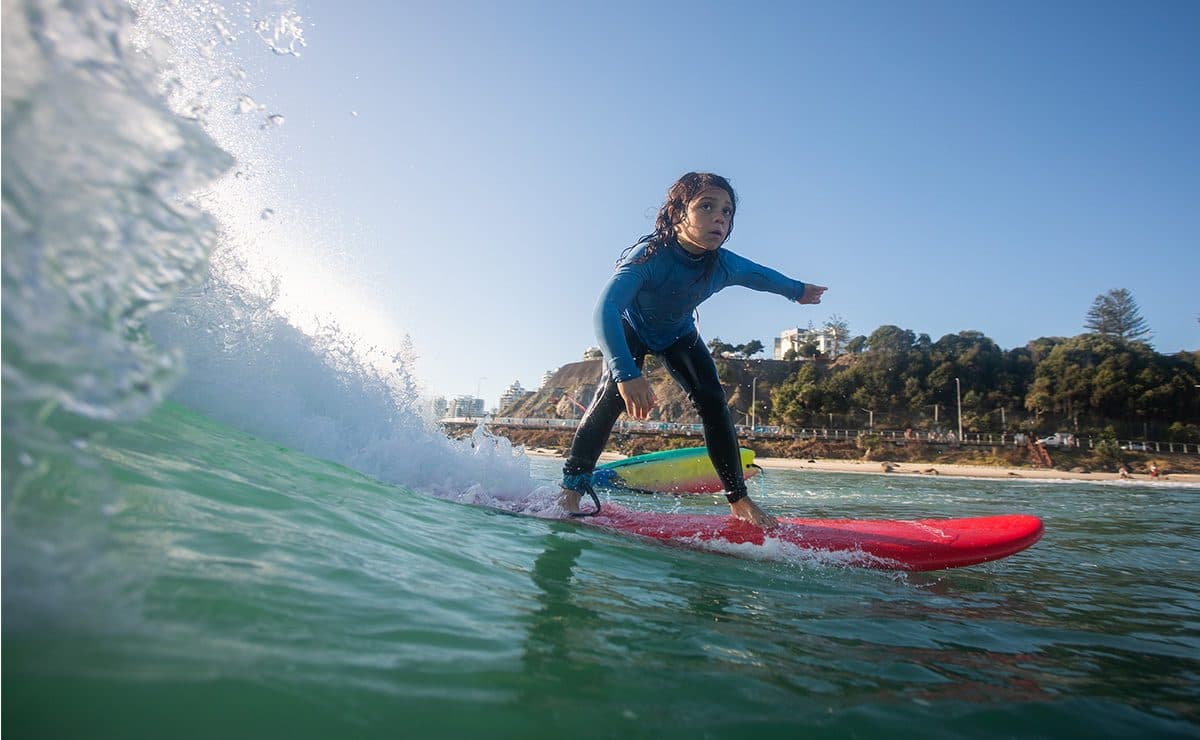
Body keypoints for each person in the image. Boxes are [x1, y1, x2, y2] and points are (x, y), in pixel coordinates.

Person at [558, 172, 827, 528]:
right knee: (611, 399)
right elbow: (605, 309)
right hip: (633, 328)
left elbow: (761, 276)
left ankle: (739, 501)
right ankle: (570, 492)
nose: (720, 217)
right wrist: (626, 373)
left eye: (728, 211)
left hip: (678, 334)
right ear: (677, 214)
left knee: (714, 403)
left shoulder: (723, 264)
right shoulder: (649, 257)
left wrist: (796, 290)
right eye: (707, 206)